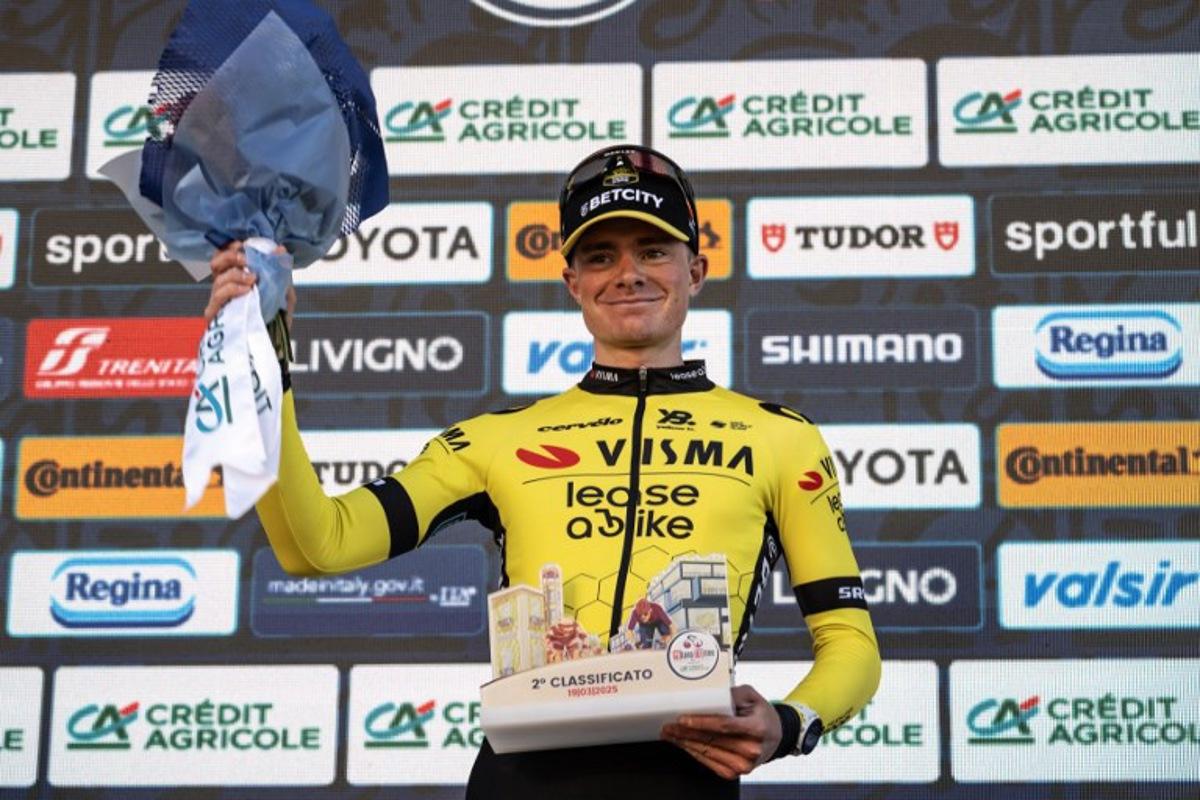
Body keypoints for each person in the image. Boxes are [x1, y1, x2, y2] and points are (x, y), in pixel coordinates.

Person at [205, 144, 881, 798]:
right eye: (600, 256)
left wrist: (790, 722)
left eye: (653, 250)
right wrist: (264, 363)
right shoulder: (496, 440)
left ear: (696, 270)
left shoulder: (779, 438)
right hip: (521, 782)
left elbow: (850, 644)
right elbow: (316, 545)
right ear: (572, 282)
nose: (628, 273)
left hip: (688, 776)